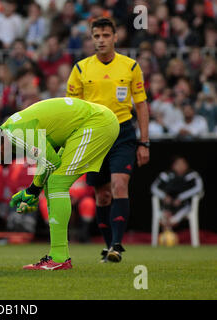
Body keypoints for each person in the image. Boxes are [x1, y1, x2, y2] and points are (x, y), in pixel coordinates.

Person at [0, 97, 119, 270]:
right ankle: (59, 257)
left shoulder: (15, 133)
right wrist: (34, 190)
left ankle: (60, 258)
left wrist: (33, 189)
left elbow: (50, 162)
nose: (0, 161)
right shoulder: (11, 128)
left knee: (56, 182)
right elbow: (46, 160)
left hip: (97, 122)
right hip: (92, 121)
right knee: (53, 183)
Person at [66, 18, 150, 263]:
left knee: (119, 185)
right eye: (96, 36)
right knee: (102, 195)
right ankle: (108, 247)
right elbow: (72, 109)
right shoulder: (81, 69)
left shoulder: (130, 66)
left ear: (115, 37)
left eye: (105, 35)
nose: (101, 40)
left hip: (123, 132)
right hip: (94, 136)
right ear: (92, 39)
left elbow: (141, 105)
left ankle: (117, 244)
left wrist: (144, 142)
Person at [151, 156, 203, 230]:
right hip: (167, 205)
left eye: (183, 163)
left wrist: (181, 197)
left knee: (179, 213)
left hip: (184, 205)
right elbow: (153, 188)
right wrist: (164, 196)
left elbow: (199, 188)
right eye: (178, 164)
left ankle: (172, 221)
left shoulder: (192, 175)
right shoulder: (166, 175)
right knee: (164, 212)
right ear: (173, 165)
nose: (180, 166)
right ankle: (166, 224)